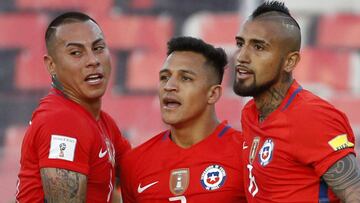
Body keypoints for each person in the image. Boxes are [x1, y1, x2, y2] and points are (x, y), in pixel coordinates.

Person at [233, 1, 360, 202]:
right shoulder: (250, 113)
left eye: (258, 47)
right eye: (240, 44)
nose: (241, 56)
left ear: (290, 61)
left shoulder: (313, 116)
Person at [15, 12, 131, 202]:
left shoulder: (104, 123)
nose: (93, 60)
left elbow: (142, 175)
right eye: (76, 53)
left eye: (98, 48)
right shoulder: (62, 121)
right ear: (51, 65)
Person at [120, 36, 246, 202]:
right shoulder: (134, 162)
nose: (169, 86)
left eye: (185, 78)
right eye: (164, 77)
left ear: (213, 94)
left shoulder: (246, 154)